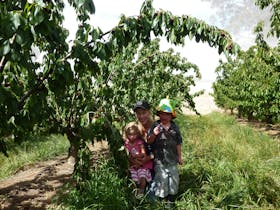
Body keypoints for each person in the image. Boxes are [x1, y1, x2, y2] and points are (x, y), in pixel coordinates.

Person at [147, 98, 183, 205]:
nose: (164, 116)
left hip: (172, 159)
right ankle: (163, 199)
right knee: (162, 179)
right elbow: (149, 141)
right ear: (159, 114)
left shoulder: (174, 127)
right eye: (162, 114)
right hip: (160, 160)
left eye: (167, 114)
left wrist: (180, 157)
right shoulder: (155, 126)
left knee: (173, 179)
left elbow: (178, 143)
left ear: (171, 115)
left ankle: (171, 200)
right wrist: (154, 133)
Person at [123, 122, 153, 198]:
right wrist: (133, 160)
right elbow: (127, 155)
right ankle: (135, 193)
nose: (132, 137)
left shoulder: (139, 142)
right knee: (134, 180)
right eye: (130, 134)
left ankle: (141, 192)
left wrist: (138, 156)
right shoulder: (126, 143)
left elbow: (143, 153)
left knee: (142, 178)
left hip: (142, 164)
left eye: (134, 134)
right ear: (126, 134)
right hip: (133, 165)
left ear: (137, 134)